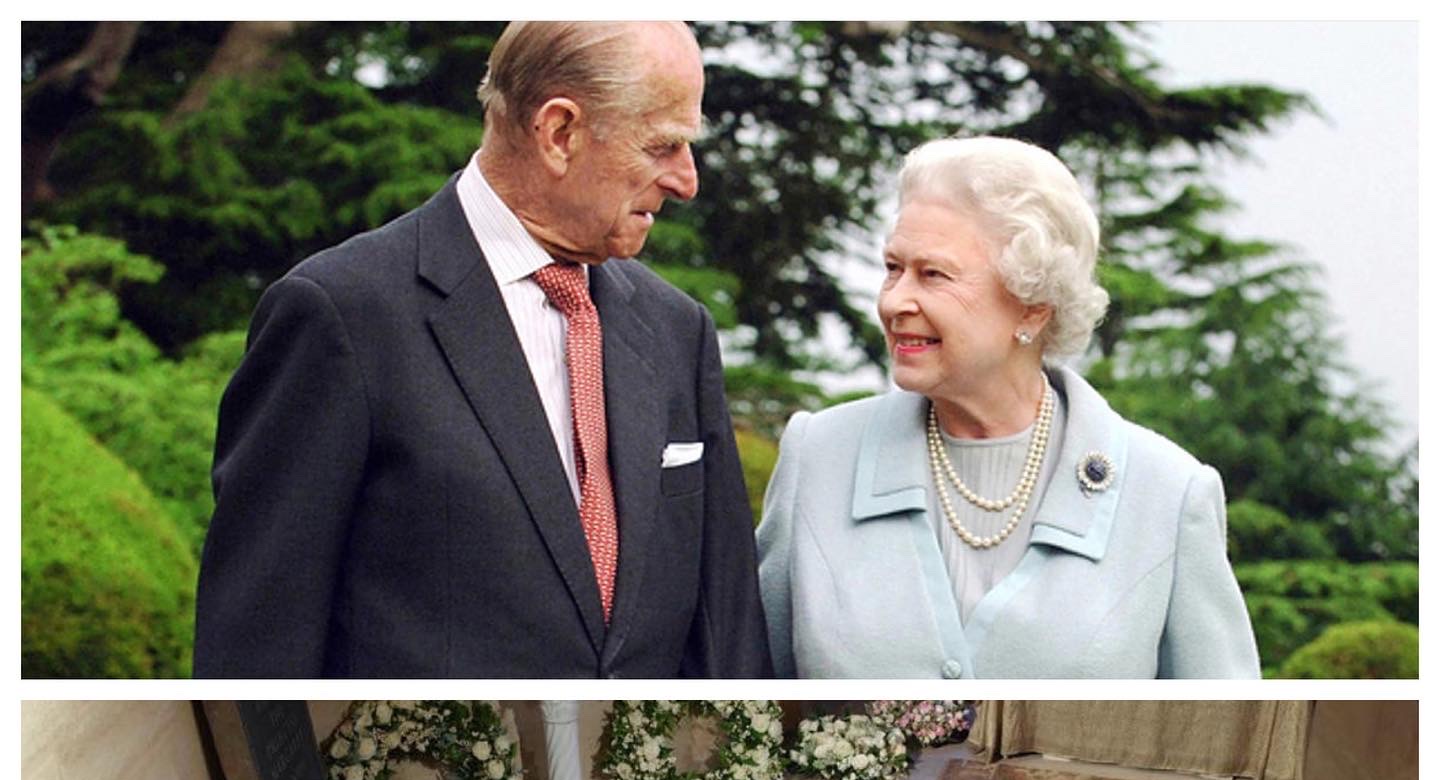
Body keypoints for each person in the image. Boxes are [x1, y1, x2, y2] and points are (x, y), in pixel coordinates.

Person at [194, 21, 771, 679]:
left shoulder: (678, 330)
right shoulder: (340, 314)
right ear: (560, 132)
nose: (686, 181)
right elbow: (255, 646)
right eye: (664, 145)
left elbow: (728, 635)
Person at [756, 135, 1261, 679]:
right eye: (893, 268)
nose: (895, 301)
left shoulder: (1167, 494)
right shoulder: (818, 456)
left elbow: (1222, 721)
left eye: (934, 275)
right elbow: (748, 691)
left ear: (1033, 309)